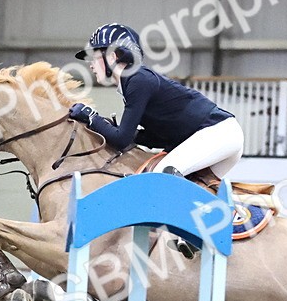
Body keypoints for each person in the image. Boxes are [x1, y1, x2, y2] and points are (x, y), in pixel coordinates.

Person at [70, 23, 245, 184]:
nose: (91, 65)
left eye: (94, 57)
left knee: (161, 177)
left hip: (218, 134)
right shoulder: (134, 81)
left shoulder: (137, 80)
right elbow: (158, 136)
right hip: (218, 136)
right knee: (195, 186)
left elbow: (121, 140)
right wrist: (123, 131)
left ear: (113, 56)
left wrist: (92, 117)